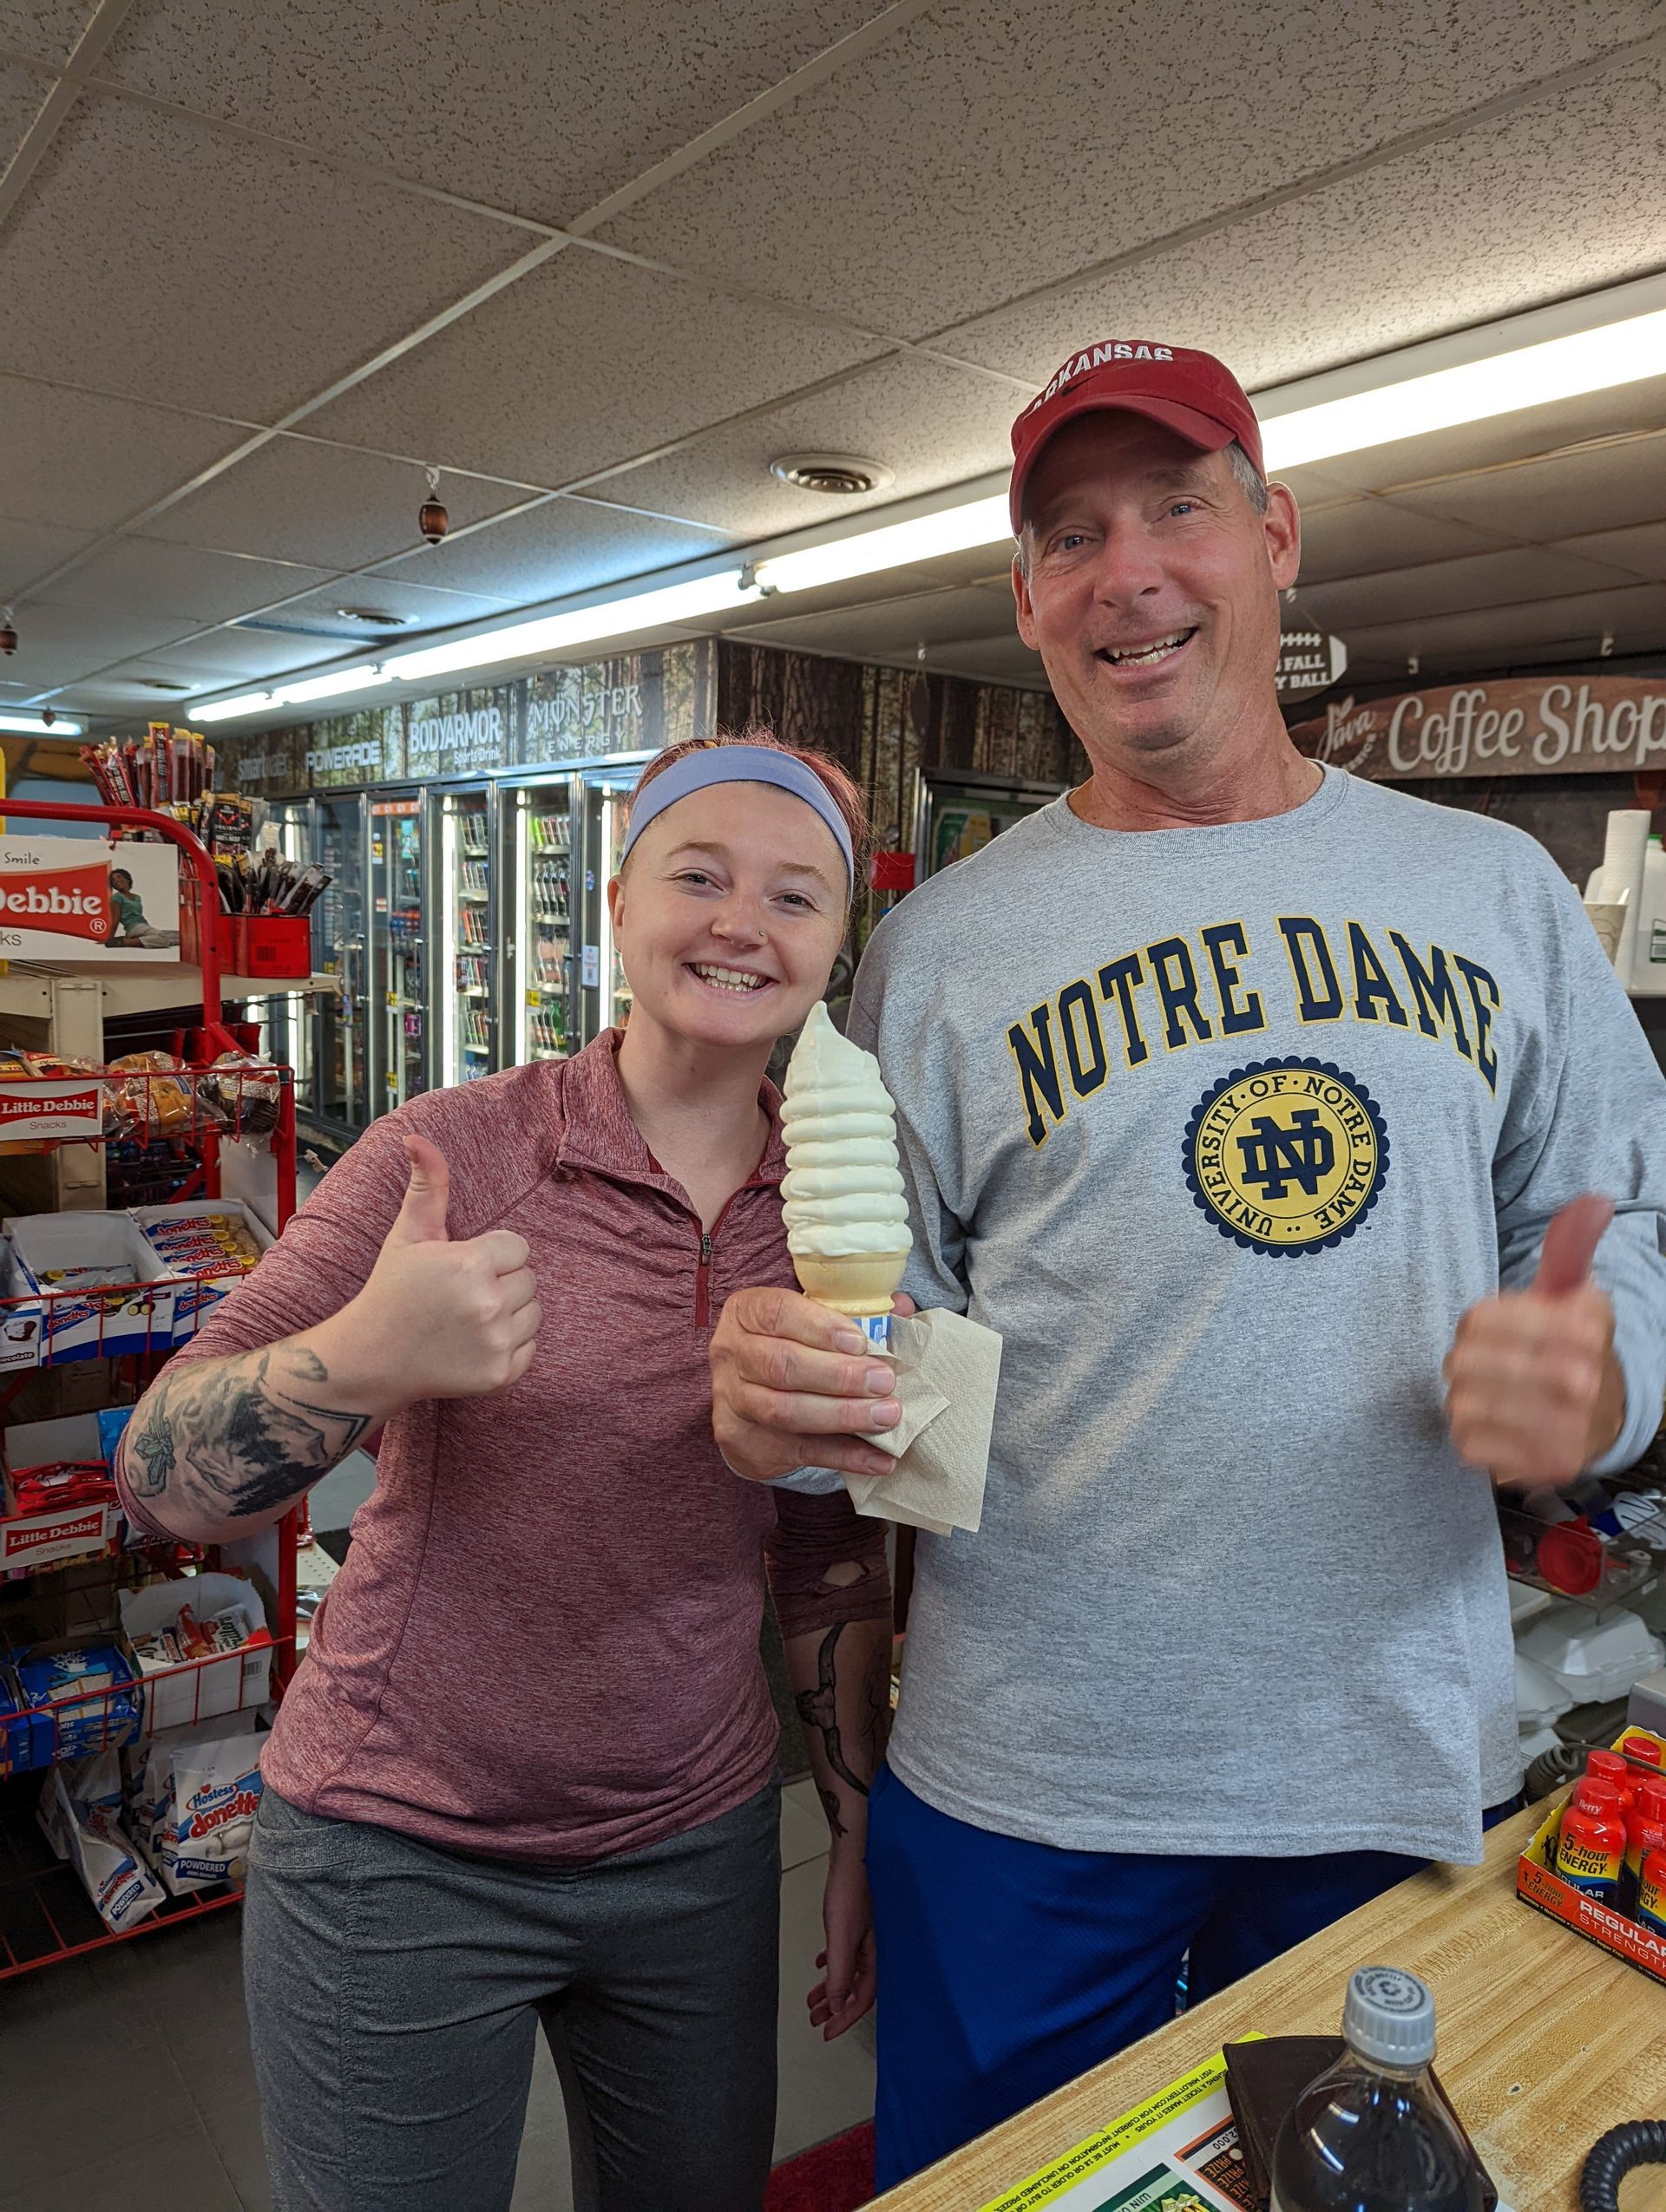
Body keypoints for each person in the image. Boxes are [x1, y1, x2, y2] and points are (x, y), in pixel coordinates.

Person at [709, 342, 1666, 2186]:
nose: (1127, 570)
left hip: (1386, 1761)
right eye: (1072, 534)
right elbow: (894, 1352)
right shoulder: (934, 958)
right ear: (1027, 601)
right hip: (1022, 1777)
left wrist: (1612, 1360)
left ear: (1277, 535)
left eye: (1178, 508)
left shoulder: (1491, 894)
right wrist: (801, 1395)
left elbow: (1633, 1218)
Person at [114, 732, 894, 2212]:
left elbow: (822, 1546)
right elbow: (160, 1476)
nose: (742, 922)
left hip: (698, 1844)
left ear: (835, 945)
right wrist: (364, 1354)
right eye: (700, 874)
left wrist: (853, 1828)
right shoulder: (451, 1156)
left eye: (795, 897)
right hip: (397, 1853)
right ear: (615, 902)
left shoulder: (844, 1213)